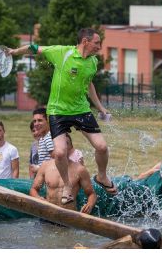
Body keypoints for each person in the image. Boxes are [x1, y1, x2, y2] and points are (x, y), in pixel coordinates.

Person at [8, 28, 116, 204]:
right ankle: (67, 185)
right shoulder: (63, 53)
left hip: (81, 110)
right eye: (97, 43)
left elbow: (89, 85)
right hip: (58, 111)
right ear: (85, 41)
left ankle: (102, 177)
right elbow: (35, 48)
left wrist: (101, 108)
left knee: (102, 147)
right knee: (59, 153)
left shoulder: (93, 62)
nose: (99, 46)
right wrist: (14, 52)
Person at [29, 154, 97, 214]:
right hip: (48, 214)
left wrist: (89, 205)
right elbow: (33, 189)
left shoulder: (80, 170)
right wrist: (38, 198)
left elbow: (92, 194)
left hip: (69, 216)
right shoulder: (45, 166)